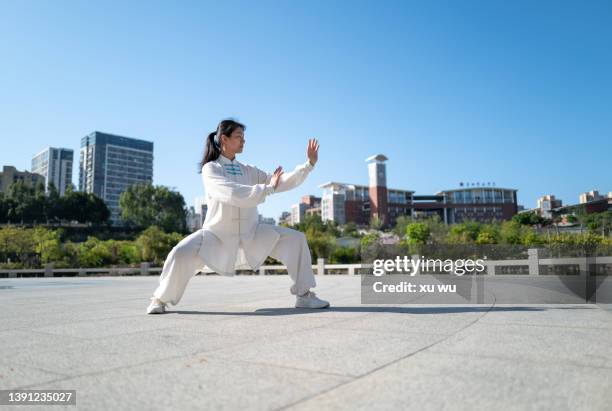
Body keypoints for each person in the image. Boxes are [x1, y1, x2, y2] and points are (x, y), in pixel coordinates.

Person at [147, 119, 330, 314]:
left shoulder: (248, 170)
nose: (243, 141)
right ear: (224, 139)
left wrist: (308, 165)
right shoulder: (211, 169)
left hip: (252, 232)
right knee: (180, 252)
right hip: (217, 234)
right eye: (238, 137)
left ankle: (304, 296)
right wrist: (267, 188)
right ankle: (159, 299)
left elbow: (280, 182)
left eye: (244, 137)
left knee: (296, 239)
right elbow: (231, 192)